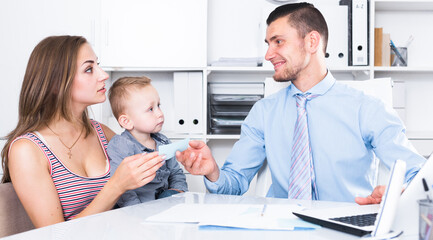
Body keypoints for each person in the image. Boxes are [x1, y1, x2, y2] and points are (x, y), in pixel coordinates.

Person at [176, 3, 426, 203]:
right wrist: (212, 172)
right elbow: (233, 186)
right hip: (280, 227)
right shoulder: (264, 112)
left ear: (312, 41)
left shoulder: (367, 108)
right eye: (268, 43)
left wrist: (400, 193)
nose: (268, 54)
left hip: (345, 225)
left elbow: (420, 176)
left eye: (278, 41)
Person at [0, 35, 165, 228]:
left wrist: (202, 168)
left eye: (98, 65)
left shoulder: (102, 133)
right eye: (89, 69)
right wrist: (116, 187)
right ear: (56, 84)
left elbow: (154, 182)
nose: (103, 75)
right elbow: (53, 235)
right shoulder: (27, 150)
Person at [106, 76, 188, 207]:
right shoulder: (120, 146)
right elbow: (124, 192)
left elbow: (176, 173)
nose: (160, 113)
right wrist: (139, 212)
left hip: (166, 204)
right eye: (151, 109)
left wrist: (178, 192)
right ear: (126, 121)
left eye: (159, 106)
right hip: (138, 210)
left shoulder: (163, 141)